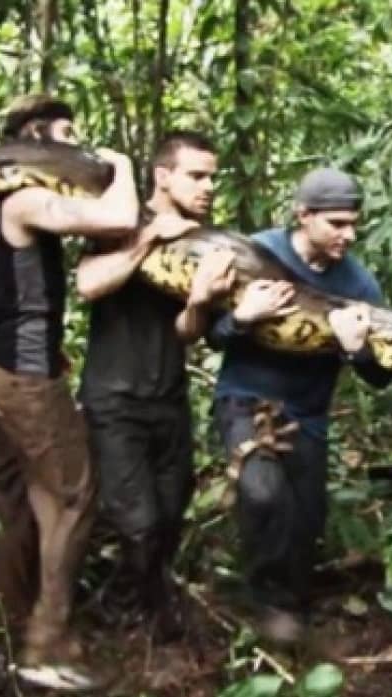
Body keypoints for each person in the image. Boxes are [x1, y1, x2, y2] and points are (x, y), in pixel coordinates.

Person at [0, 93, 138, 689]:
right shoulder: (24, 197)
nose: (76, 146)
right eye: (66, 133)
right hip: (24, 376)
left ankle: (7, 629)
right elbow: (119, 219)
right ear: (35, 137)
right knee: (71, 497)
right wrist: (123, 165)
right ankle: (48, 643)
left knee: (25, 500)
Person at [205, 166, 391, 643]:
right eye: (337, 224)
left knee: (306, 517)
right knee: (264, 493)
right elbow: (213, 335)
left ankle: (295, 607)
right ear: (302, 216)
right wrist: (243, 319)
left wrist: (357, 348)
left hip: (308, 414)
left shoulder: (359, 286)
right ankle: (269, 609)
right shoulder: (257, 253)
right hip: (244, 400)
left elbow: (378, 378)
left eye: (354, 223)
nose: (348, 235)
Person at [75, 130, 234, 639]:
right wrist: (148, 238)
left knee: (168, 514)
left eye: (212, 177)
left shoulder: (203, 241)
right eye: (196, 176)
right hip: (114, 400)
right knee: (139, 522)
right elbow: (88, 285)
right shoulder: (119, 220)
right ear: (163, 177)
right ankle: (124, 611)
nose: (208, 187)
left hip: (169, 397)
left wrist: (201, 300)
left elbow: (189, 333)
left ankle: (138, 604)